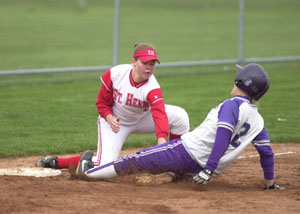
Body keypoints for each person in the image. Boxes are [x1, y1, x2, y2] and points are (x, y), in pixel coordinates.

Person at [76, 63, 284, 190]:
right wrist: (269, 182)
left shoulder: (232, 105)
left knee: (133, 160)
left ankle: (87, 174)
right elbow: (266, 153)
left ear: (242, 82)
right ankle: (176, 174)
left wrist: (209, 170)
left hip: (186, 152)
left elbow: (223, 136)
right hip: (199, 167)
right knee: (171, 167)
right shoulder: (258, 121)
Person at [37, 43, 190, 169]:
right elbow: (102, 103)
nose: (149, 68)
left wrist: (161, 144)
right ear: (134, 62)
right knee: (104, 165)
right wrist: (109, 118)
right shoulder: (115, 74)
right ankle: (57, 162)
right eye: (145, 63)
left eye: (152, 64)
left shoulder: (152, 87)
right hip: (115, 123)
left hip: (142, 118)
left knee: (180, 117)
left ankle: (176, 161)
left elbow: (159, 113)